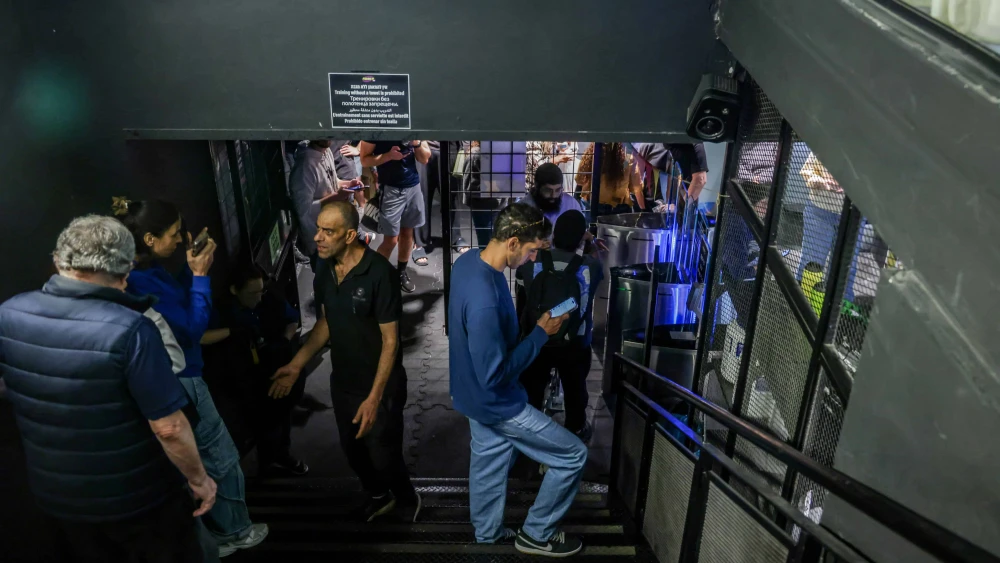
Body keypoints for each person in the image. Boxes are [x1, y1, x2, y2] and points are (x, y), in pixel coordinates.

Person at [0, 215, 217, 562]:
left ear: (58, 260)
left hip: (57, 500)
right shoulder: (130, 329)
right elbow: (169, 427)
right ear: (126, 270)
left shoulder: (9, 313)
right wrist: (199, 480)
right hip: (137, 503)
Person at [115, 199, 268, 558]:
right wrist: (200, 275)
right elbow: (192, 329)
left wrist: (189, 269)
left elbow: (183, 304)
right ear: (149, 239)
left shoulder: (147, 270)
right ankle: (235, 532)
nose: (181, 239)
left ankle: (218, 530)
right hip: (183, 378)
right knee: (220, 456)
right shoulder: (138, 282)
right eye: (173, 234)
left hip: (180, 376)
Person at [448, 202, 587, 557]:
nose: (529, 260)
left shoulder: (466, 263)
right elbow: (494, 375)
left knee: (490, 461)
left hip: (470, 397)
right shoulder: (486, 301)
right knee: (572, 455)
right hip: (497, 402)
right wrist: (540, 333)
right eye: (529, 251)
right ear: (512, 242)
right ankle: (536, 534)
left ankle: (487, 537)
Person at [270, 201, 420, 523]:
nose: (318, 237)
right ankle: (379, 496)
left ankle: (407, 499)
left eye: (328, 231)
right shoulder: (323, 267)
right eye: (318, 229)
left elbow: (391, 342)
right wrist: (296, 364)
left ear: (351, 235)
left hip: (380, 386)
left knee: (384, 452)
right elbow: (325, 322)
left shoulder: (380, 274)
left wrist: (374, 398)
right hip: (345, 383)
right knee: (353, 450)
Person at [202, 264, 309, 477]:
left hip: (273, 368)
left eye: (261, 291)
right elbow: (201, 337)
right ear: (235, 290)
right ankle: (262, 462)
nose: (259, 298)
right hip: (240, 378)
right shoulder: (222, 310)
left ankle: (281, 455)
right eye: (252, 293)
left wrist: (284, 340)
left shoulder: (269, 299)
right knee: (254, 423)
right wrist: (232, 332)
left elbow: (292, 319)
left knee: (281, 413)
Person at [516, 210, 604, 442]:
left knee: (533, 386)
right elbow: (597, 263)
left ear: (554, 236)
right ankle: (575, 428)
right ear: (579, 238)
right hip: (575, 342)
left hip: (538, 338)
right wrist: (591, 241)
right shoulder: (590, 268)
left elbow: (523, 301)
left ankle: (530, 429)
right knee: (575, 387)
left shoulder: (530, 266)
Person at [359, 140, 431, 293]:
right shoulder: (378, 126)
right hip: (391, 190)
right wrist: (389, 156)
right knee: (390, 240)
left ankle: (401, 272)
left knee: (407, 233)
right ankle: (373, 279)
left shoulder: (412, 126)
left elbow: (424, 158)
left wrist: (416, 143)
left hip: (413, 187)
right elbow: (364, 160)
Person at [289, 140, 364, 266]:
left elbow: (333, 181)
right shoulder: (305, 167)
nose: (329, 138)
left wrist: (348, 184)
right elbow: (303, 212)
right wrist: (336, 197)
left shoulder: (326, 151)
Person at [576, 142, 646, 216]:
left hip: (592, 205)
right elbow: (636, 187)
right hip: (619, 208)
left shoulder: (590, 156)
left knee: (592, 227)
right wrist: (643, 210)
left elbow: (579, 180)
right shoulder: (627, 159)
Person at [413, 140, 442, 266]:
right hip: (423, 147)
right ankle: (419, 242)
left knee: (451, 196)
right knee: (421, 196)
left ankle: (455, 236)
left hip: (447, 147)